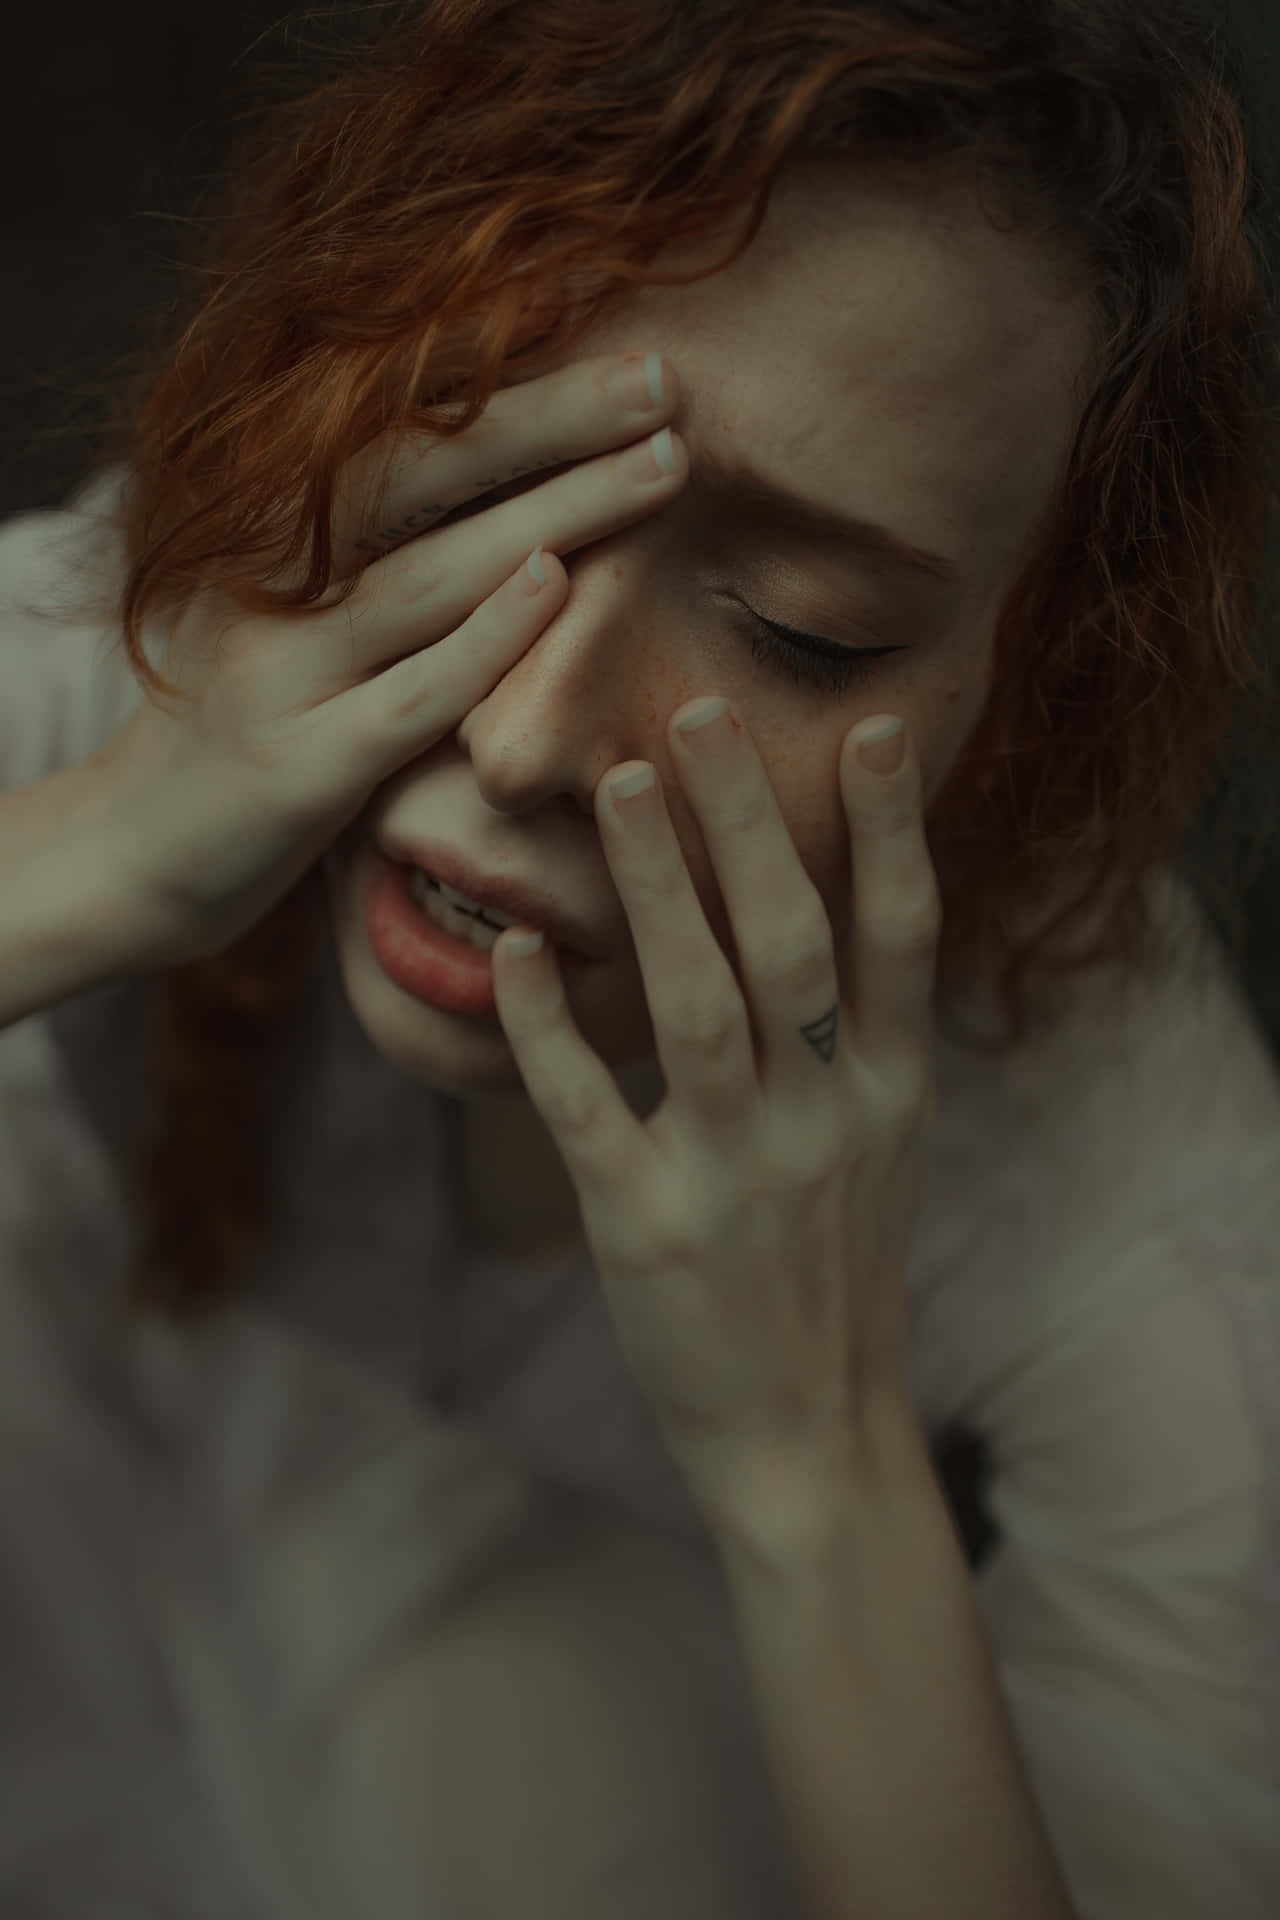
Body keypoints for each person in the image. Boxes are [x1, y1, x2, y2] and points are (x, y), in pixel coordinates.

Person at [1, 1, 1278, 1915]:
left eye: (798, 631)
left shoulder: (1138, 1170)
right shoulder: (181, 638)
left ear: (1035, 695)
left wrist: (820, 1474)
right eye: (481, 503)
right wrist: (85, 854)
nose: (522, 740)